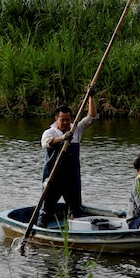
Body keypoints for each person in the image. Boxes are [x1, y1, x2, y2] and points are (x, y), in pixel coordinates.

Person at [36, 96, 97, 227]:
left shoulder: (76, 129)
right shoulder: (50, 132)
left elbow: (91, 117)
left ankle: (79, 231)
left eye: (68, 120)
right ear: (56, 119)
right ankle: (40, 229)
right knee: (46, 208)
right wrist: (62, 138)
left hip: (72, 179)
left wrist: (91, 97)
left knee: (76, 209)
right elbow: (46, 143)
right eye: (62, 120)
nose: (65, 123)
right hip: (53, 178)